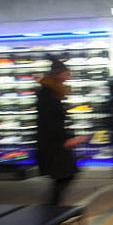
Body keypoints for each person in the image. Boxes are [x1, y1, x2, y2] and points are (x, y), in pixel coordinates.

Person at [36, 59, 89, 205]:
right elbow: (50, 121)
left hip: (54, 140)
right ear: (58, 74)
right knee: (65, 174)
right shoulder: (49, 94)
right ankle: (52, 208)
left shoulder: (52, 91)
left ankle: (53, 207)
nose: (69, 75)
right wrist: (66, 139)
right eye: (67, 73)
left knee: (63, 175)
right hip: (53, 142)